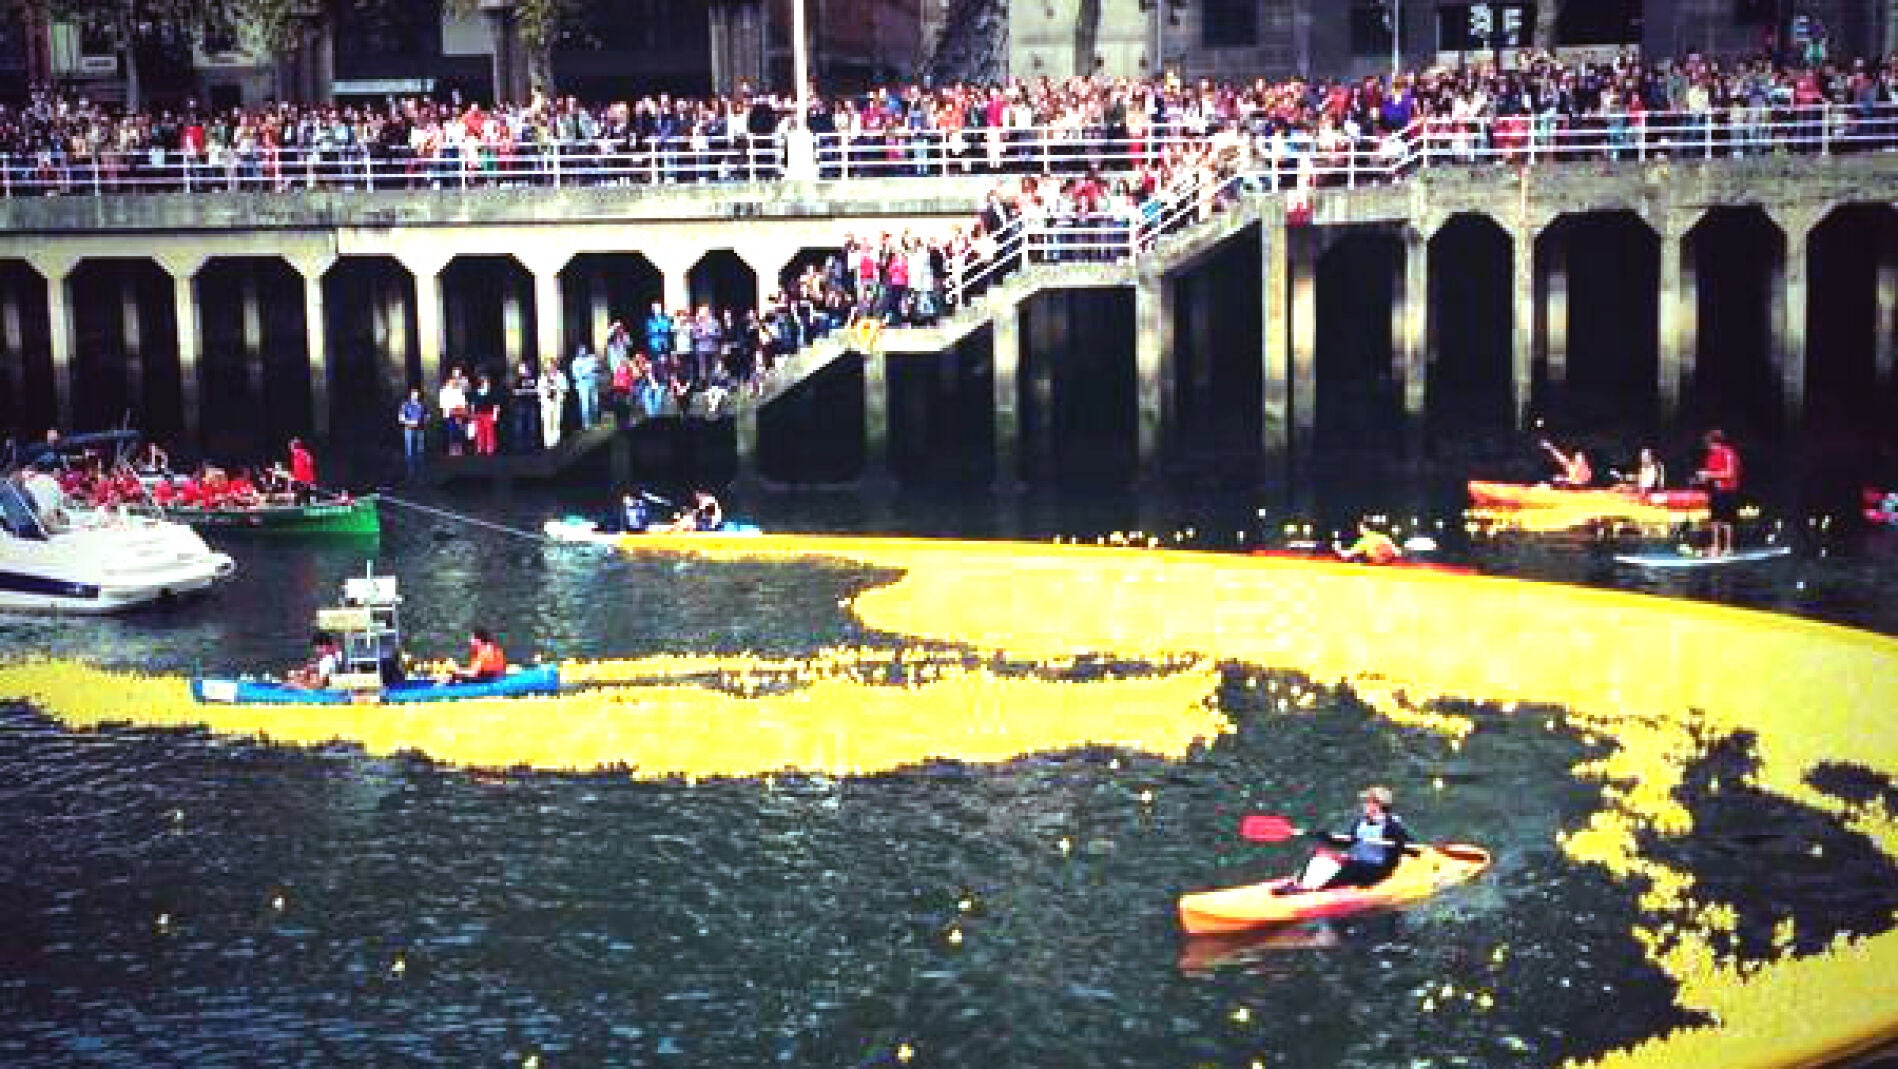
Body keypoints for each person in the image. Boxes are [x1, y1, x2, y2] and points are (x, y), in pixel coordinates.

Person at [1276, 786, 1413, 895]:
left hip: (1378, 869)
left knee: (1352, 866)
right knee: (1321, 854)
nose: (1363, 805)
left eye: (1367, 802)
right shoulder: (1361, 822)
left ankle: (1314, 891)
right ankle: (1301, 882)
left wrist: (1399, 845)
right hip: (1358, 863)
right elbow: (1348, 842)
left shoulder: (1392, 826)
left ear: (1377, 805)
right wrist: (1324, 837)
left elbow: (1405, 847)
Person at [1696, 429, 1742, 557]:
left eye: (1711, 444)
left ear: (1717, 442)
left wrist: (1709, 474)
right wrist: (1702, 477)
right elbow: (1710, 474)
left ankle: (1728, 547)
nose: (1709, 447)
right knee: (1715, 520)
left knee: (1727, 520)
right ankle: (1716, 546)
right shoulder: (1710, 456)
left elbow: (1730, 473)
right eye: (1708, 444)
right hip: (1716, 491)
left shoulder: (1728, 453)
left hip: (1728, 491)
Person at [442, 628, 508, 684]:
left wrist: (456, 669)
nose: (470, 641)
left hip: (490, 680)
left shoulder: (484, 652)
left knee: (453, 677)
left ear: (478, 640)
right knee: (453, 676)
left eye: (472, 639)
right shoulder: (491, 647)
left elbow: (472, 673)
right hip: (496, 677)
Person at [1334, 521, 1401, 565]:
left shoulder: (1370, 538)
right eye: (1359, 528)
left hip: (1383, 560)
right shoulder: (1363, 541)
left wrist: (1338, 549)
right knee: (1358, 558)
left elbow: (1387, 541)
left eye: (1360, 528)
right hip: (1381, 561)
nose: (1358, 529)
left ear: (1366, 528)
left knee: (1358, 558)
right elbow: (1349, 553)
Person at [398, 388, 428, 480]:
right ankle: (410, 474)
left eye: (417, 395)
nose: (415, 396)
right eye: (414, 395)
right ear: (410, 396)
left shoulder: (421, 405)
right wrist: (410, 422)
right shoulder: (405, 405)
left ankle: (420, 475)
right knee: (409, 452)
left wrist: (424, 421)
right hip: (409, 430)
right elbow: (400, 418)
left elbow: (427, 416)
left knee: (420, 451)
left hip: (420, 430)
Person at [287, 438, 317, 503]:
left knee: (306, 498)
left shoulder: (304, 454)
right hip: (300, 480)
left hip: (305, 480)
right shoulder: (295, 456)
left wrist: (307, 480)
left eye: (291, 445)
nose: (290, 447)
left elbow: (309, 466)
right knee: (298, 498)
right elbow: (297, 469)